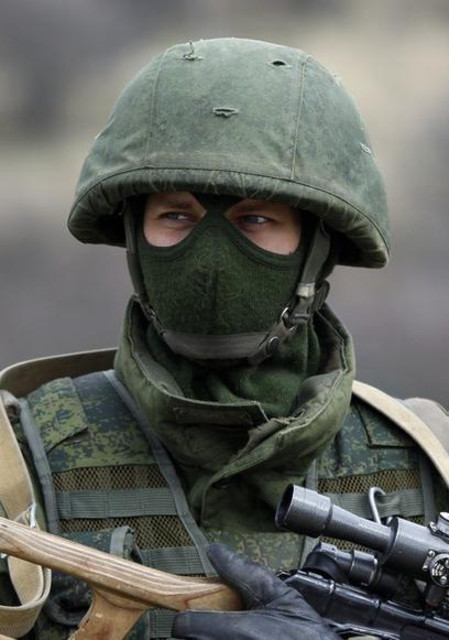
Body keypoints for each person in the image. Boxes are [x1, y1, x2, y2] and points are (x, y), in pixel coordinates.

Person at [0, 37, 447, 640]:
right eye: (176, 215)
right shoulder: (19, 464)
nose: (210, 261)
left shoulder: (430, 462)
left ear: (317, 248)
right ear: (134, 234)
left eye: (255, 219)